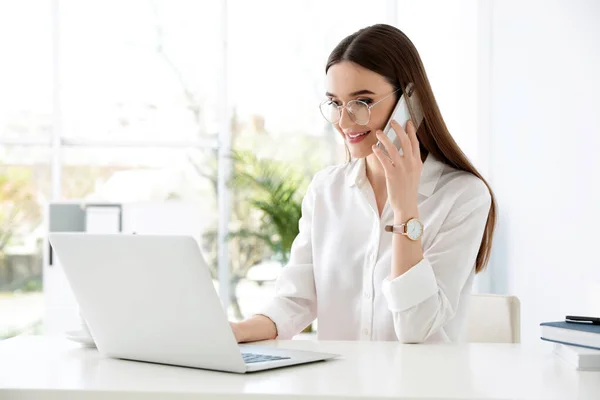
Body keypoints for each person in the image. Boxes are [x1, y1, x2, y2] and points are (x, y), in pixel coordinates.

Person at [230, 24, 497, 344]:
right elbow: (296, 301)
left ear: (409, 101)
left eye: (362, 102)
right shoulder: (326, 190)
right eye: (335, 104)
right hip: (339, 386)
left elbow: (415, 327)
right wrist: (234, 331)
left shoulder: (463, 196)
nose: (344, 122)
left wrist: (405, 210)